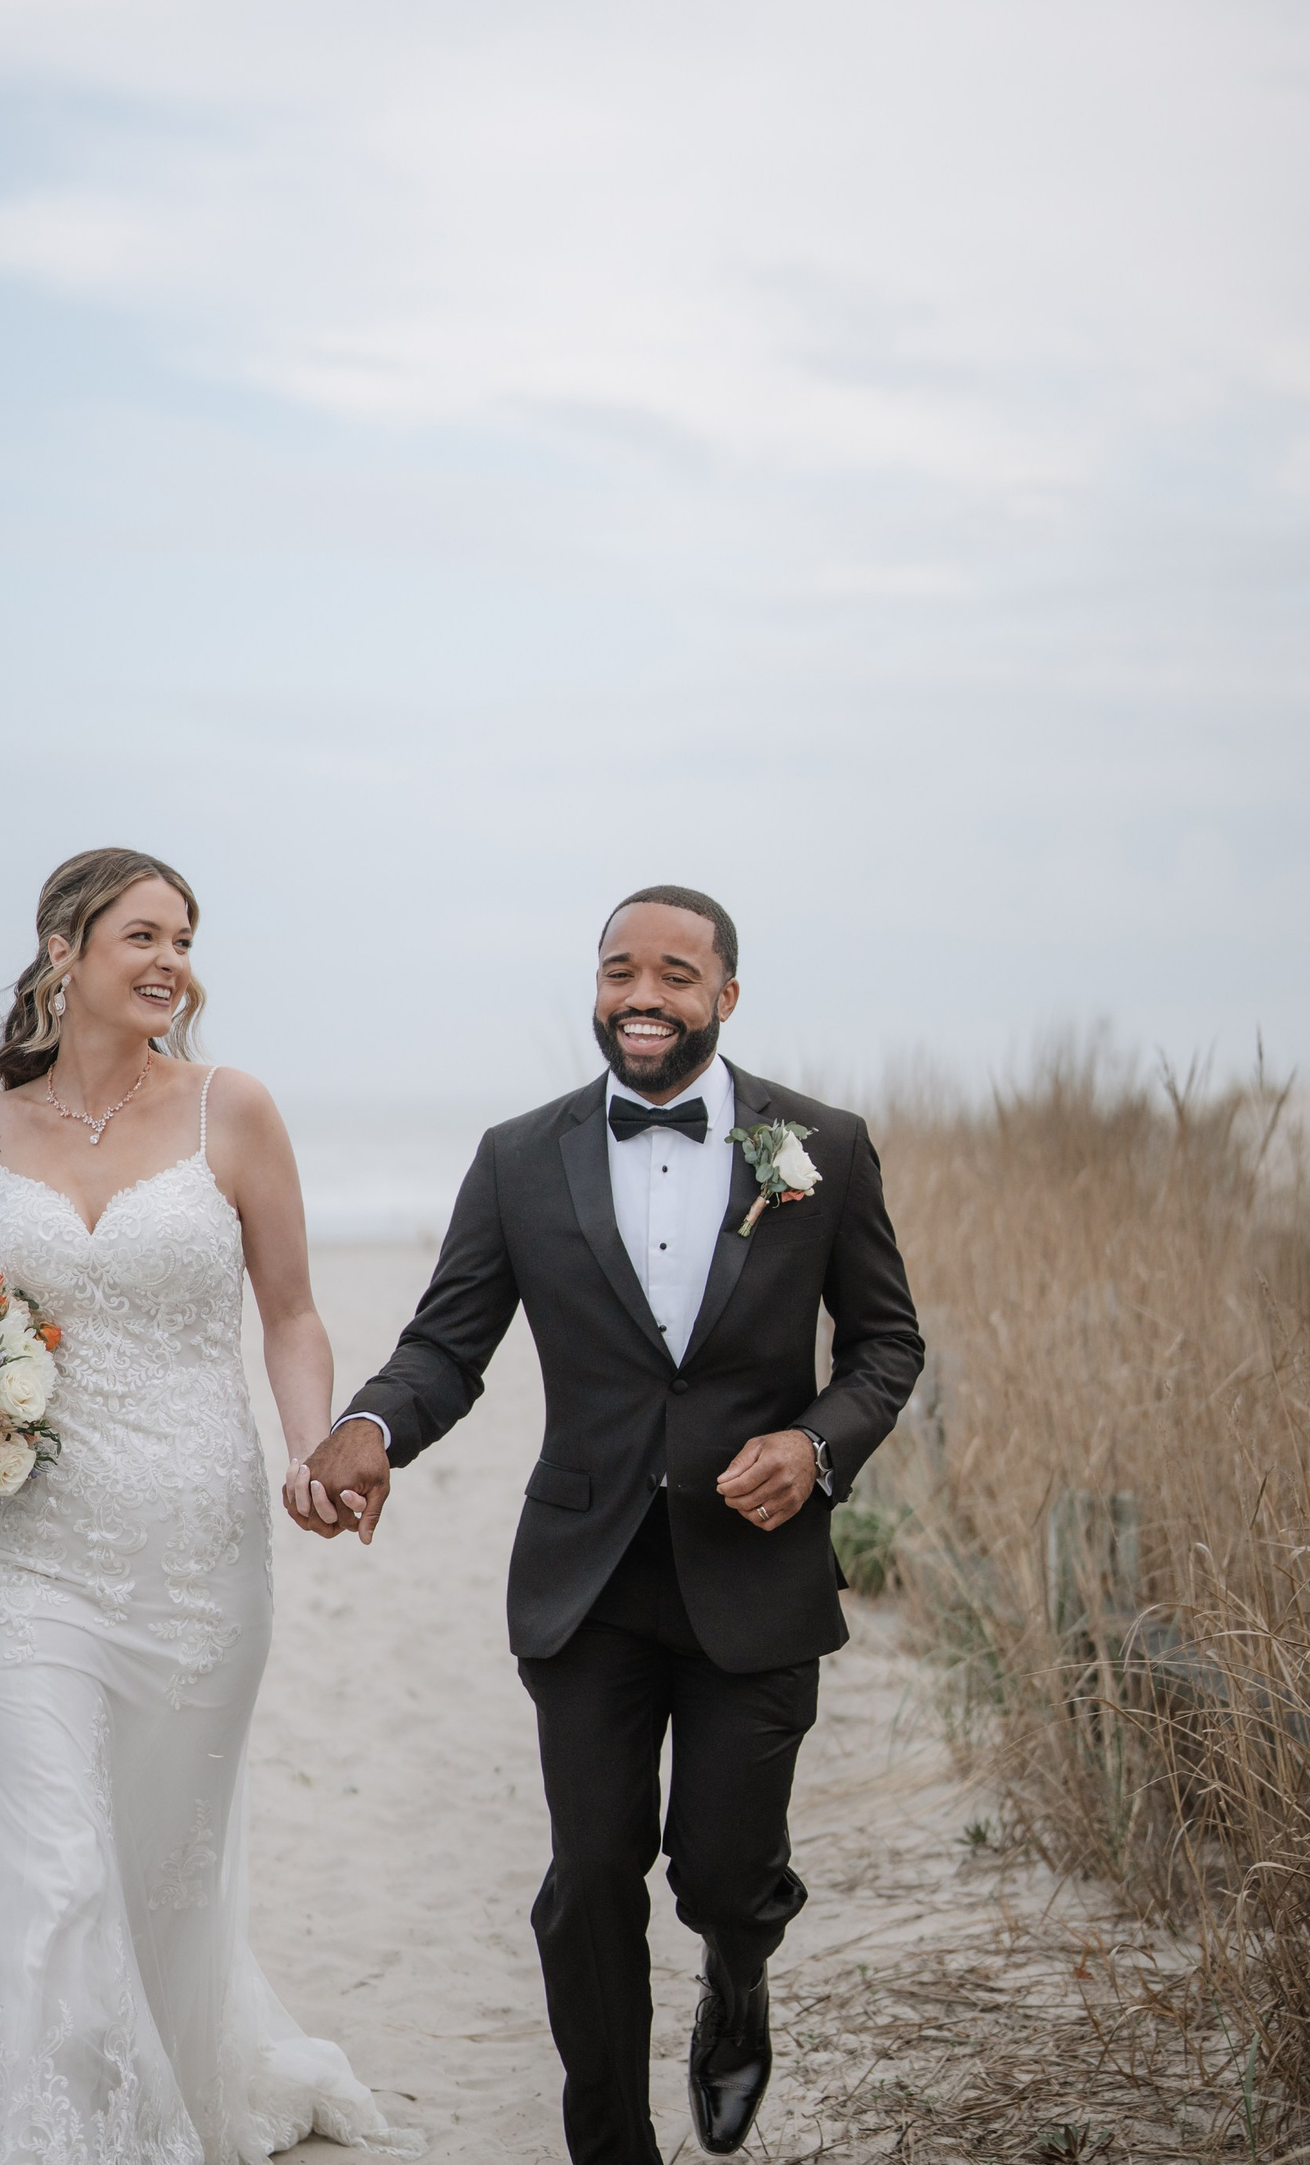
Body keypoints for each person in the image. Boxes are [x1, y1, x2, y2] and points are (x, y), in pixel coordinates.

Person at [297, 887, 925, 2165]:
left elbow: (884, 1346)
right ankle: (609, 2144)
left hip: (752, 1578)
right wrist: (370, 1429)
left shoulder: (824, 1144)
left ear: (725, 997)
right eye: (619, 970)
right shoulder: (520, 1154)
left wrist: (814, 1448)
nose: (643, 995)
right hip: (583, 1581)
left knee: (723, 1877)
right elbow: (447, 1343)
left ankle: (736, 1978)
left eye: (676, 974)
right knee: (589, 1879)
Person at [0, 846, 414, 2165]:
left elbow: (289, 1313)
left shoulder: (234, 1112)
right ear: (64, 949)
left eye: (184, 937)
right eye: (142, 934)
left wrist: (310, 1449)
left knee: (159, 1866)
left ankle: (171, 2078)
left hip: (195, 1543)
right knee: (52, 1864)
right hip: (26, 1549)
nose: (172, 959)